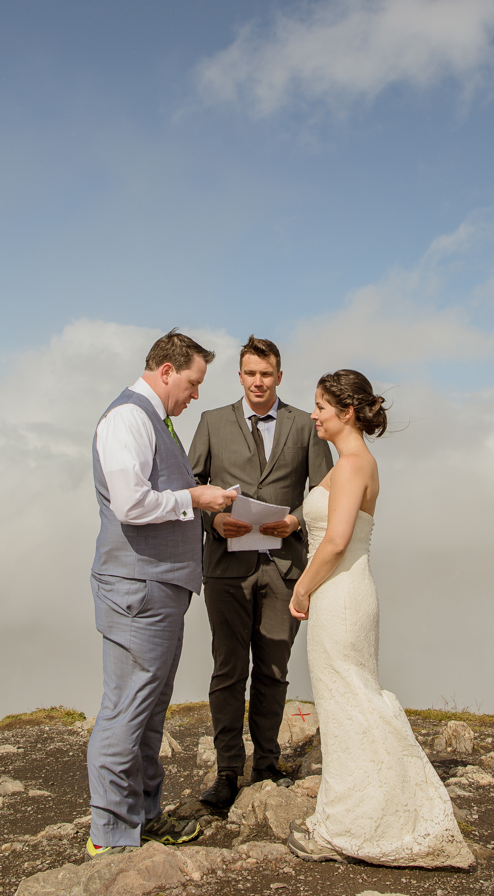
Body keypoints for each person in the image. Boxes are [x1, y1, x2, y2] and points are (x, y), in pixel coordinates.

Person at [285, 370, 474, 869]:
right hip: (347, 592)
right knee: (348, 699)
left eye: (322, 406)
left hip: (339, 594)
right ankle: (354, 813)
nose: (314, 414)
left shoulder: (351, 466)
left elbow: (338, 540)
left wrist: (302, 586)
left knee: (350, 701)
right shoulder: (356, 462)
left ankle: (351, 825)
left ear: (346, 412)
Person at [86, 331, 239, 859]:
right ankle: (110, 835)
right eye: (193, 383)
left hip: (158, 589)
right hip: (137, 589)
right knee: (126, 709)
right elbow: (130, 503)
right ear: (167, 370)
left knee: (148, 710)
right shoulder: (128, 417)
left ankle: (143, 817)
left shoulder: (154, 419)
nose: (195, 394)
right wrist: (194, 497)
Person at [187, 336, 334, 810]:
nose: (257, 381)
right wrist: (213, 519)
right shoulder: (211, 422)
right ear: (240, 375)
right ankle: (228, 771)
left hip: (285, 566)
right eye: (250, 373)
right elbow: (189, 487)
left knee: (273, 670)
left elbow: (325, 490)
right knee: (229, 670)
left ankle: (267, 765)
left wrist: (294, 519)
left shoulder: (304, 426)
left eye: (265, 374)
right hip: (227, 567)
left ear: (279, 376)